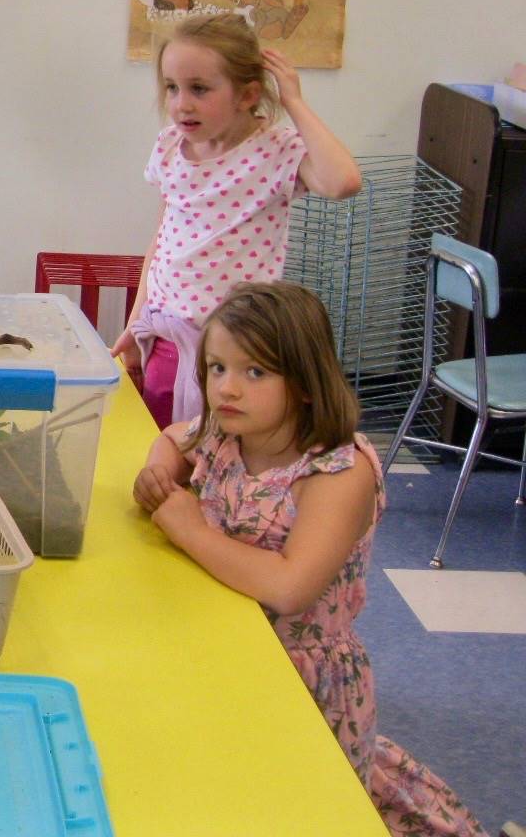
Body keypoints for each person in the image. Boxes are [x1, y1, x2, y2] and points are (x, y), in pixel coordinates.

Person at [133, 283, 487, 837]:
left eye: (255, 373)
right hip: (231, 648)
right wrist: (157, 471)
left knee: (304, 808)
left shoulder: (340, 474)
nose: (228, 388)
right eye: (217, 367)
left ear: (302, 382)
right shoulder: (229, 432)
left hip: (303, 676)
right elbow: (176, 438)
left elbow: (291, 585)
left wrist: (190, 530)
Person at [111, 12, 361, 427]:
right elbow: (162, 241)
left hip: (234, 349)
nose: (181, 103)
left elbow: (343, 182)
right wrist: (138, 324)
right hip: (168, 336)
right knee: (160, 451)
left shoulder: (275, 150)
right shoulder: (172, 146)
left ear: (247, 96)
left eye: (199, 89)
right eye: (172, 88)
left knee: (221, 458)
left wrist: (293, 101)